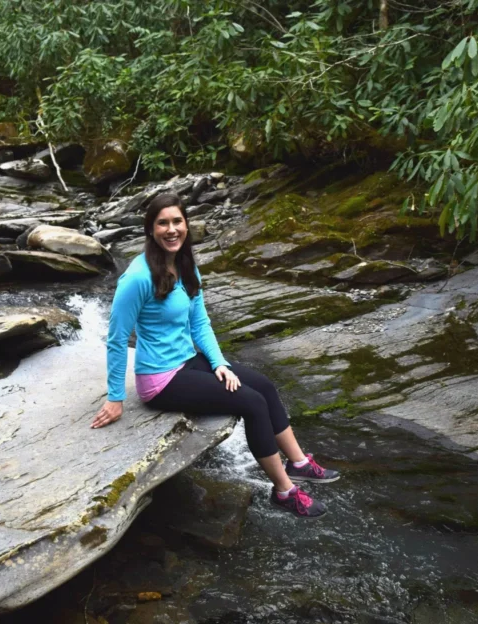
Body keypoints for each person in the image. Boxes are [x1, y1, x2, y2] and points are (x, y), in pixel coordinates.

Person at [91, 192, 338, 518]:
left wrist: (219, 363)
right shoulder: (136, 279)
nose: (171, 229)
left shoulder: (185, 265)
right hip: (160, 379)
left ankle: (300, 463)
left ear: (186, 225)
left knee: (262, 384)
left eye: (177, 221)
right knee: (251, 402)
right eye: (162, 223)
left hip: (187, 361)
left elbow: (200, 323)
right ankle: (284, 491)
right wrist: (115, 396)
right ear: (150, 230)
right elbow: (117, 338)